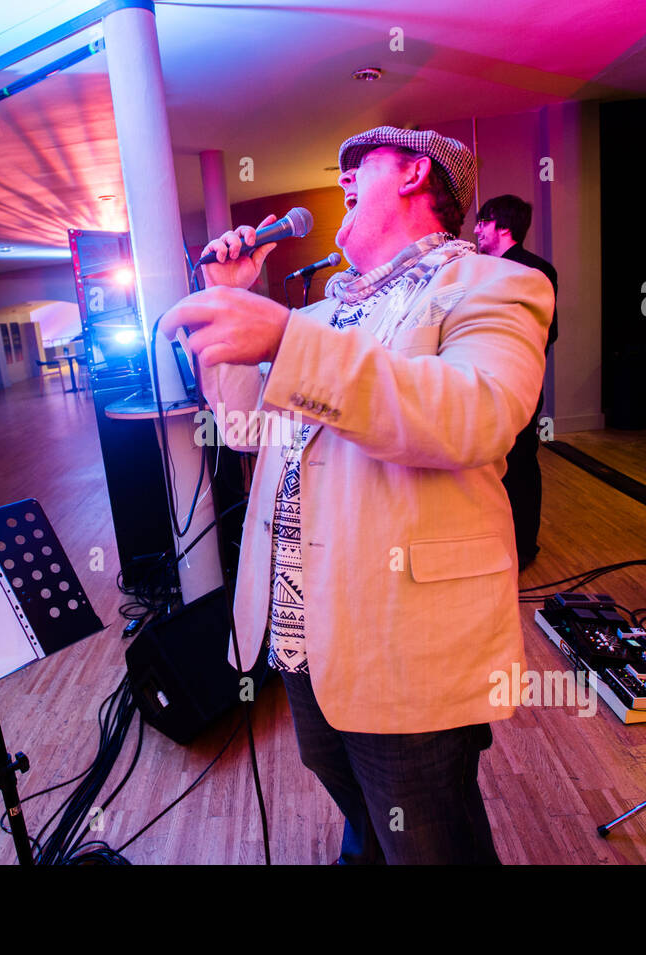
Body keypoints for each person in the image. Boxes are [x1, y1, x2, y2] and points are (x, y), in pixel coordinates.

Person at [159, 126, 552, 864]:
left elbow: (478, 412)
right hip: (303, 628)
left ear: (412, 174)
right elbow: (245, 428)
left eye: (357, 166)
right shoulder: (316, 317)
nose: (339, 177)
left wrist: (285, 340)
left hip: (405, 633)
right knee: (353, 796)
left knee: (430, 836)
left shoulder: (496, 284)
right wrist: (233, 298)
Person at [475, 194, 558, 568]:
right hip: (480, 379)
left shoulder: (534, 271)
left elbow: (548, 332)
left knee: (521, 461)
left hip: (517, 382)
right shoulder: (478, 267)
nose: (476, 230)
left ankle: (524, 547)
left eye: (482, 222)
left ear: (503, 226)